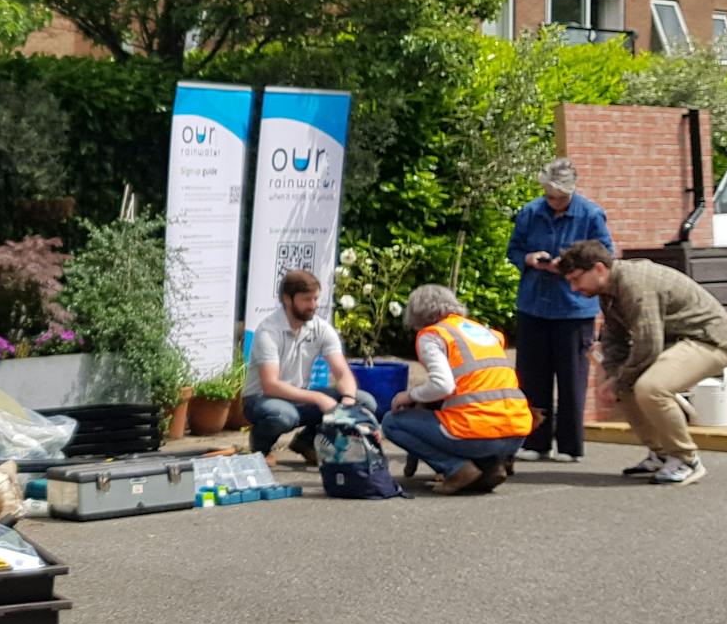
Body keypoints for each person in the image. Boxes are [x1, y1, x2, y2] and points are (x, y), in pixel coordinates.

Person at [556, 239, 727, 486]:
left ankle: (686, 460)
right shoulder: (609, 291)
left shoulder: (635, 284)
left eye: (576, 279)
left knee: (652, 388)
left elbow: (648, 344)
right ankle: (662, 454)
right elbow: (613, 340)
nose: (574, 287)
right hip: (676, 342)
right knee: (626, 386)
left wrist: (617, 378)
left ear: (599, 268)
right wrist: (614, 377)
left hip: (710, 341)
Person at [507, 158, 614, 463]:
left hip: (574, 308)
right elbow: (513, 249)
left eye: (558, 197)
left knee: (572, 380)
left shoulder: (591, 214)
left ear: (572, 191)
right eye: (548, 195)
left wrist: (565, 265)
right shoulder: (530, 212)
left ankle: (570, 445)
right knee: (531, 377)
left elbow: (605, 258)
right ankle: (535, 441)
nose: (552, 202)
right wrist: (528, 259)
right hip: (533, 305)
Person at [382, 285, 534, 495]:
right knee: (461, 417)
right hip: (517, 432)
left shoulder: (433, 335)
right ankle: (491, 466)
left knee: (392, 422)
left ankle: (457, 469)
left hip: (477, 432)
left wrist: (409, 395)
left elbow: (442, 385)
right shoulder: (483, 332)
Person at [243, 270, 372, 466]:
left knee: (364, 402)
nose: (313, 305)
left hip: (298, 396)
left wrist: (348, 400)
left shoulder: (321, 328)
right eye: (306, 299)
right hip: (261, 398)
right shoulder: (268, 331)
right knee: (284, 416)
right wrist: (319, 398)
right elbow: (270, 385)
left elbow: (342, 372)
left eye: (315, 299)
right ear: (287, 299)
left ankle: (305, 442)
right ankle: (260, 449)